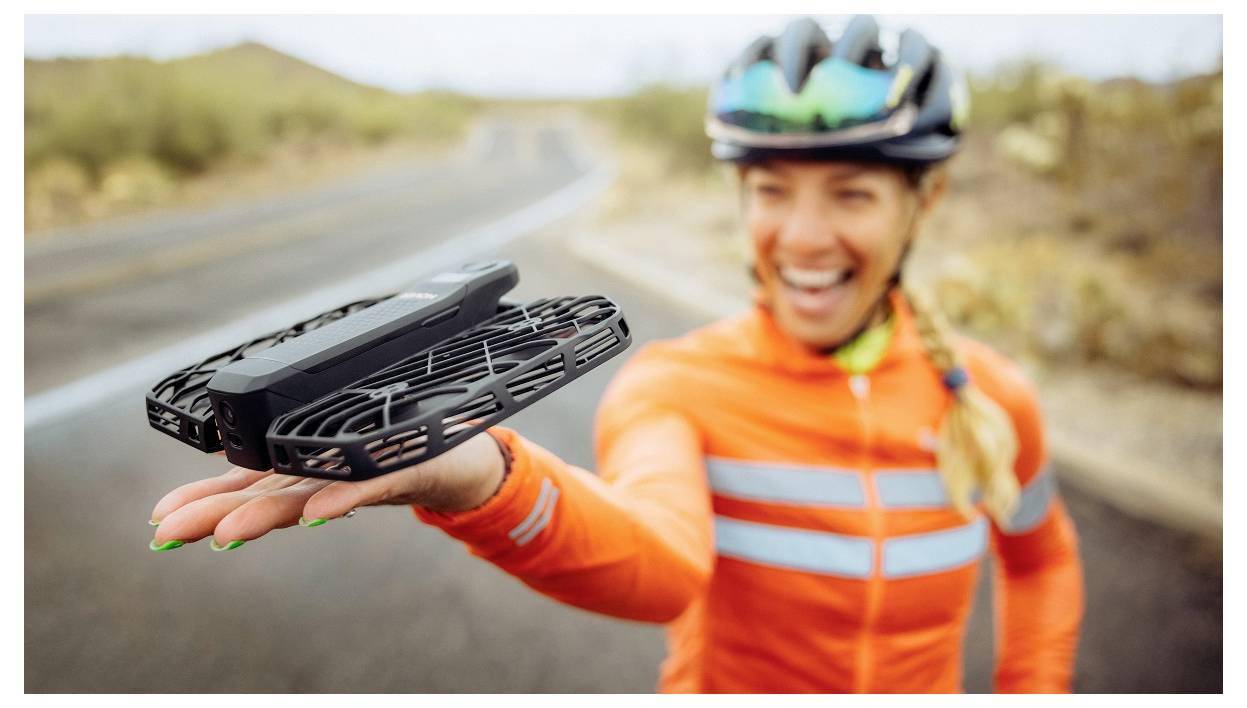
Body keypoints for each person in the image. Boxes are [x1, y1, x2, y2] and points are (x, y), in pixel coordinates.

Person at [148, 15, 1084, 693]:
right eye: (767, 189)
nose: (800, 235)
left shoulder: (995, 397)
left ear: (923, 203)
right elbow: (663, 570)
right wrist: (481, 480)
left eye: (851, 194)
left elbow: (1039, 562)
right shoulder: (678, 388)